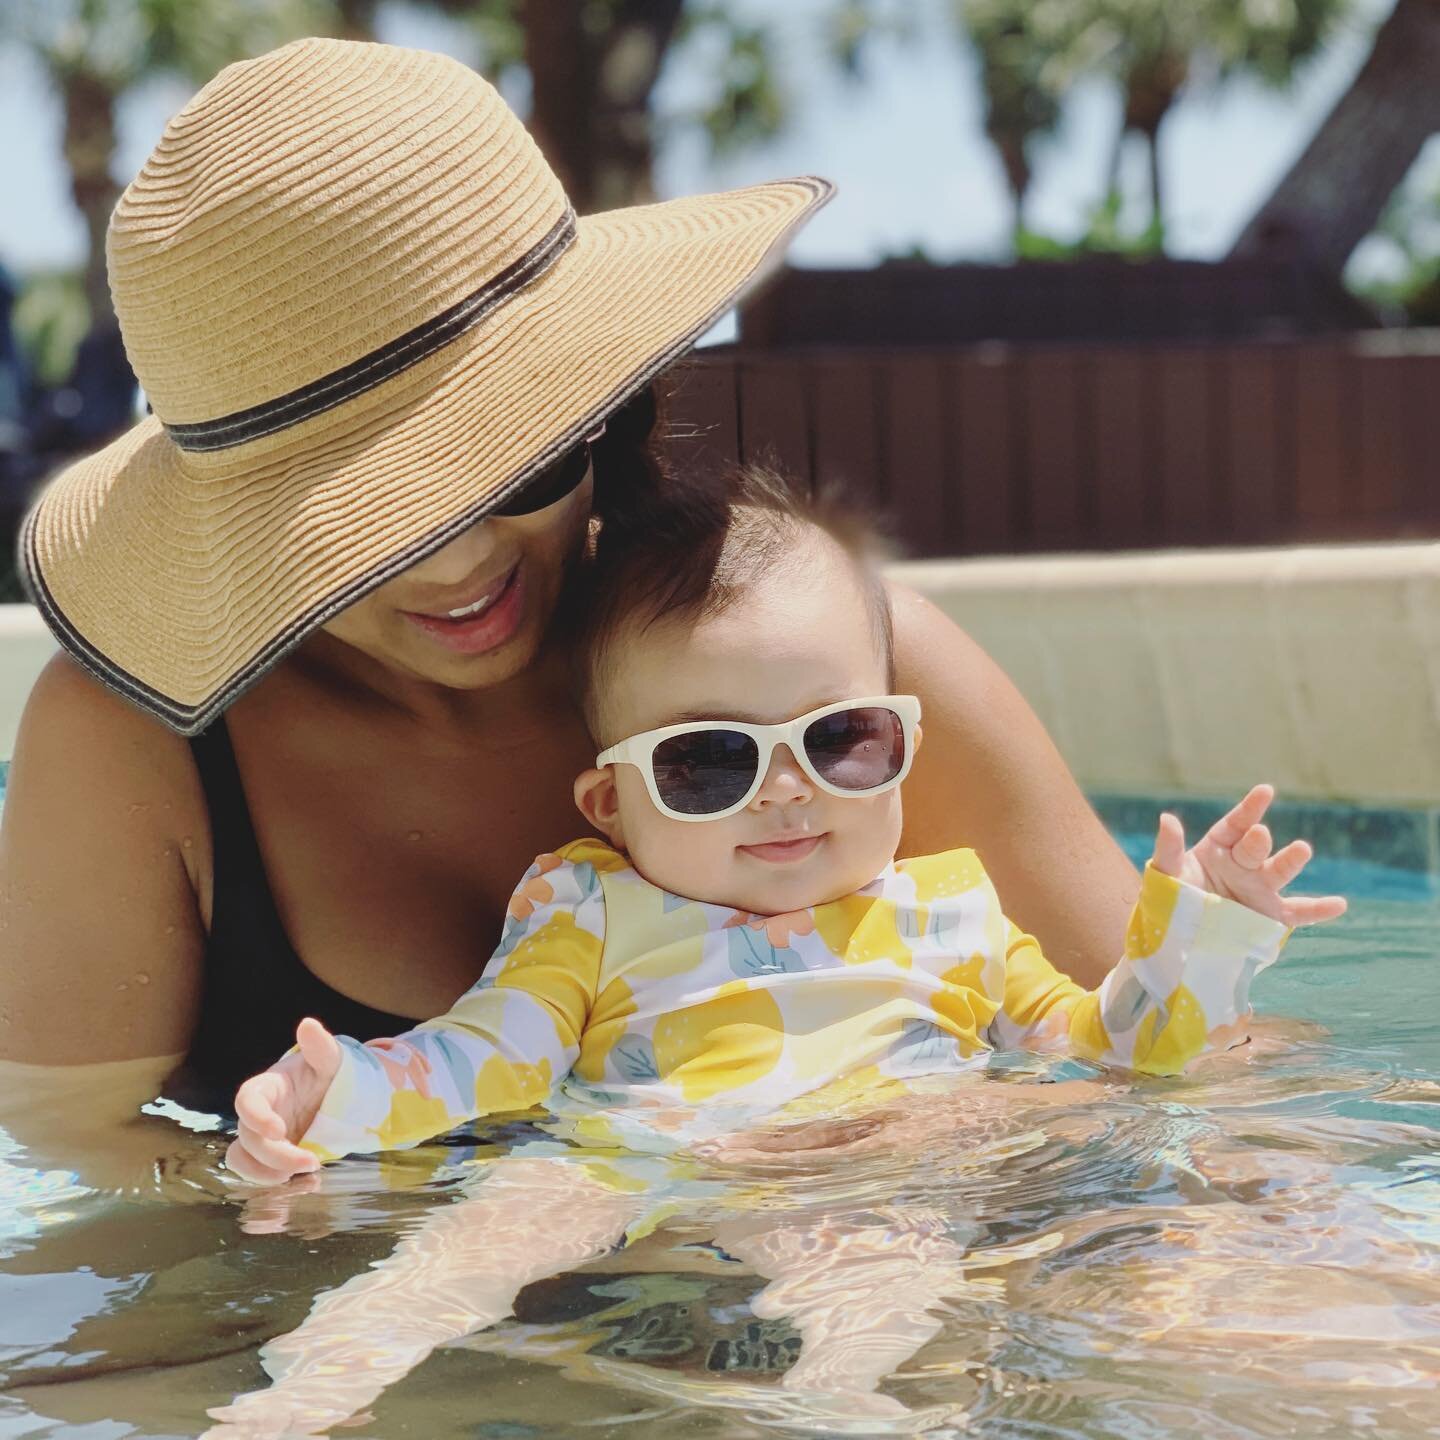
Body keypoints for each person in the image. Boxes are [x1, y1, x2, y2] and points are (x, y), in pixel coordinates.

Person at [3, 38, 1129, 1175]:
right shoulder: (139, 743)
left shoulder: (848, 687)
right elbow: (81, 1160)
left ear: (596, 407)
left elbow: (1195, 1070)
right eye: (364, 521)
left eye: (507, 471)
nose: (454, 562)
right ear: (241, 521)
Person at [204, 468, 1344, 1435]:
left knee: (881, 1303)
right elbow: (484, 1060)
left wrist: (1205, 935)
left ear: (907, 741)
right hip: (623, 1159)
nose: (789, 792)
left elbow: (1123, 1051)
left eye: (843, 740)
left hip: (878, 1173)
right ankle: (290, 1403)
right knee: (457, 1253)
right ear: (613, 801)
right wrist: (332, 1093)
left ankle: (848, 1407)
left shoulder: (956, 915)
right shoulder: (587, 907)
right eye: (709, 763)